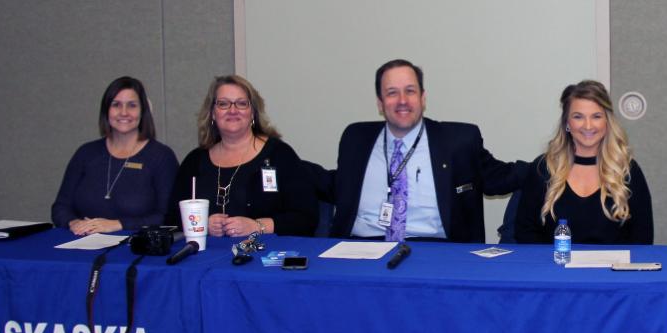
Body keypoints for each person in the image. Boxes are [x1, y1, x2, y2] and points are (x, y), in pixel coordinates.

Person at [330, 59, 525, 242]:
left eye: (410, 91)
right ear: (380, 103)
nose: (402, 100)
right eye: (392, 93)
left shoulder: (458, 141)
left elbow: (498, 178)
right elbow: (332, 183)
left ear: (423, 98)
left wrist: (552, 162)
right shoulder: (355, 139)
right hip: (361, 249)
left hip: (435, 250)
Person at [169, 75, 317, 237]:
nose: (233, 110)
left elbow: (306, 218)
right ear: (212, 113)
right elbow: (171, 218)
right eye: (223, 104)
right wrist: (201, 223)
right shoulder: (194, 161)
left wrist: (257, 226)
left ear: (253, 112)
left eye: (241, 103)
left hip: (264, 254)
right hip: (205, 257)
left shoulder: (280, 155)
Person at [514, 80, 653, 245]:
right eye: (578, 117)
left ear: (607, 122)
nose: (588, 125)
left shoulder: (627, 170)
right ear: (567, 123)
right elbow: (525, 232)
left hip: (611, 269)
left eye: (596, 116)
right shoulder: (544, 168)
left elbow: (642, 238)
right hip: (555, 268)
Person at [52, 77, 178, 235]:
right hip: (81, 243)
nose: (124, 112)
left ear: (143, 111)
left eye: (132, 105)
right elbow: (60, 207)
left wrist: (118, 224)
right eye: (116, 105)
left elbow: (168, 217)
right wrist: (74, 222)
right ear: (106, 111)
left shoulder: (161, 157)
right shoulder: (85, 153)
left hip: (134, 248)